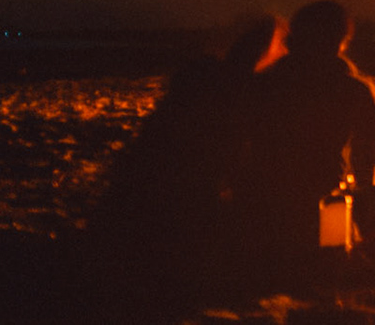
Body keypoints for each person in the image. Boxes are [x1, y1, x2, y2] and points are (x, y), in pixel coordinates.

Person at [92, 14, 286, 280]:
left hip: (142, 198)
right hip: (183, 202)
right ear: (269, 52)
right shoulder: (242, 92)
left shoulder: (201, 79)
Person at [234, 0, 375, 260]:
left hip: (256, 212)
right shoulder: (352, 89)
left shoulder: (263, 84)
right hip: (318, 213)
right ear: (342, 42)